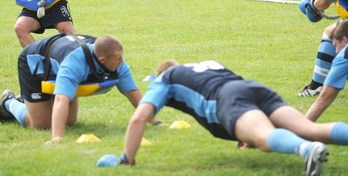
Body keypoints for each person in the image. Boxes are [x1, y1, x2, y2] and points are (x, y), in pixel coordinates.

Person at [96, 59, 348, 176]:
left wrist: (127, 159)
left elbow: (139, 118)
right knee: (307, 126)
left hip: (226, 99)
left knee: (264, 137)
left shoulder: (165, 79)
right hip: (251, 87)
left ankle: (307, 150)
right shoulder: (207, 64)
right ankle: (309, 141)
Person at [0, 33, 160, 143]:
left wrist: (153, 120)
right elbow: (61, 99)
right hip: (34, 62)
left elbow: (132, 92)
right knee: (41, 124)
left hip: (57, 61)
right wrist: (57, 137)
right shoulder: (74, 63)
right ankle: (9, 102)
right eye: (118, 58)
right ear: (102, 60)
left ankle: (30, 103)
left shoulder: (116, 61)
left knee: (69, 122)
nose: (122, 61)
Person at [305, 20, 348, 121]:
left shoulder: (344, 57)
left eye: (336, 45)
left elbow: (323, 99)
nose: (336, 51)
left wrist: (301, 128)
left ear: (345, 40)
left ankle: (315, 87)